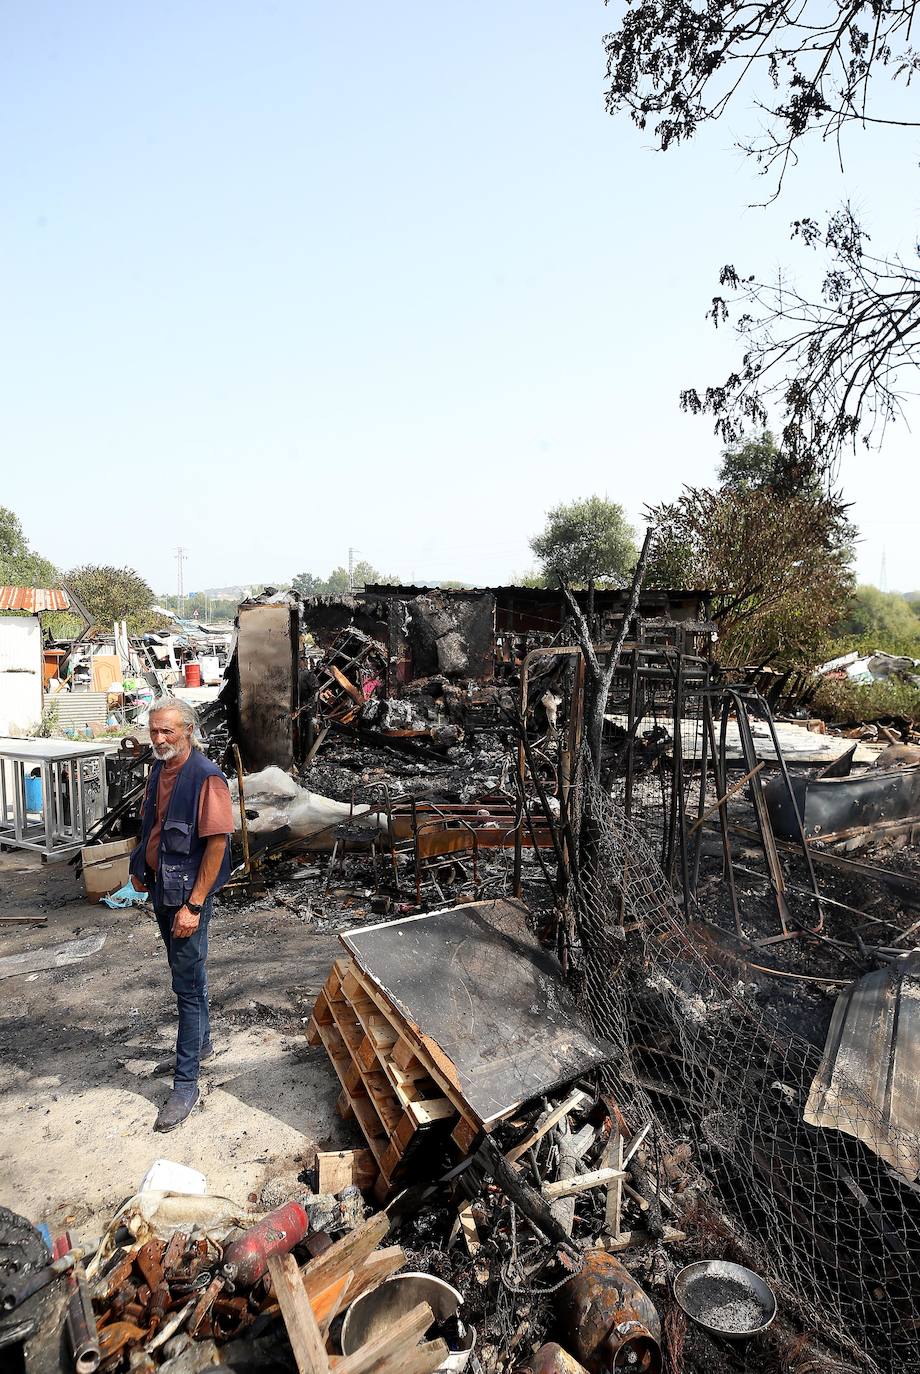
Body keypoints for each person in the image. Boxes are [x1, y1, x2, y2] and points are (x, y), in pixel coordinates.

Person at [129, 697, 234, 1131]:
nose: (158, 739)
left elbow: (217, 845)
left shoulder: (207, 778)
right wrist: (140, 867)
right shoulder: (159, 769)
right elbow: (150, 826)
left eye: (167, 731)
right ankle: (202, 1043)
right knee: (185, 972)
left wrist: (194, 905)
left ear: (188, 730)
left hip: (187, 895)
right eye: (154, 730)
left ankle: (186, 1082)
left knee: (187, 985)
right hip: (162, 888)